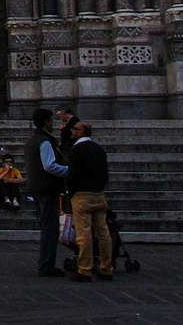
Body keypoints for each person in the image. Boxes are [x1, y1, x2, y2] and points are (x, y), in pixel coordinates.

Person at [67, 120, 113, 282]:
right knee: (103, 232)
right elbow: (105, 172)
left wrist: (70, 190)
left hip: (82, 195)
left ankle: (85, 269)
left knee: (83, 233)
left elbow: (72, 173)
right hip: (99, 194)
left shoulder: (77, 150)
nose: (72, 131)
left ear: (81, 132)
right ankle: (106, 268)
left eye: (75, 129)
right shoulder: (99, 149)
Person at [28, 107, 70, 276]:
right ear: (46, 122)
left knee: (47, 227)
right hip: (47, 188)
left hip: (38, 188)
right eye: (51, 120)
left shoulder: (33, 140)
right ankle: (46, 265)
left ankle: (46, 263)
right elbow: (49, 166)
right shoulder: (44, 141)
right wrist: (69, 170)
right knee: (50, 228)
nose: (53, 123)